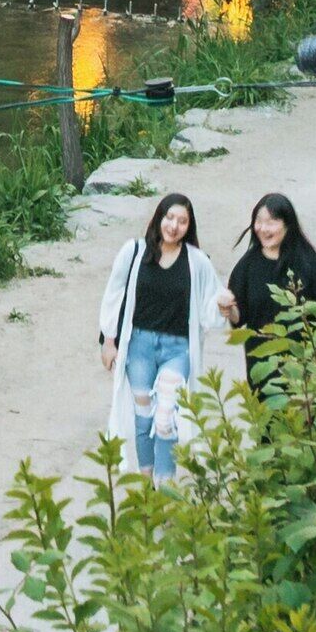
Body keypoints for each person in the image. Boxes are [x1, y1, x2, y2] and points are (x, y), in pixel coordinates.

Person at [93, 192, 229, 482]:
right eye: (170, 217)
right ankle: (147, 486)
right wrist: (109, 341)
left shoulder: (197, 261)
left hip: (177, 349)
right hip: (139, 345)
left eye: (182, 221)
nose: (174, 226)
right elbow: (114, 296)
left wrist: (223, 306)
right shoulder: (134, 251)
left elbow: (210, 304)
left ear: (189, 227)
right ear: (159, 218)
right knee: (143, 418)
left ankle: (165, 487)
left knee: (166, 418)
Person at [219, 192, 316, 374]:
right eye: (259, 221)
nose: (263, 228)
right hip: (262, 367)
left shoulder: (310, 265)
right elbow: (239, 317)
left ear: (288, 224)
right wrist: (228, 309)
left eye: (271, 222)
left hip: (304, 369)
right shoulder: (247, 266)